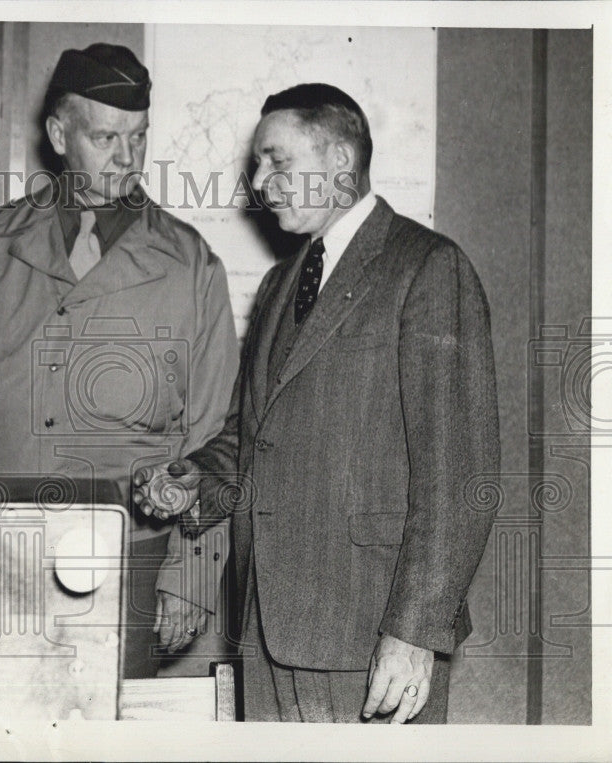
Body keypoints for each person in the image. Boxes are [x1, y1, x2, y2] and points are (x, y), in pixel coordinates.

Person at [134, 83, 499, 720]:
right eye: (258, 164)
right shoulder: (281, 282)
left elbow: (459, 476)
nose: (259, 181)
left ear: (338, 163)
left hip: (370, 637)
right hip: (266, 631)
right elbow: (254, 434)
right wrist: (195, 479)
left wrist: (413, 633)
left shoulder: (428, 268)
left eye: (277, 161)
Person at [0, 43, 239, 677]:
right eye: (106, 137)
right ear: (59, 135)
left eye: (138, 137)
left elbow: (213, 438)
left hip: (127, 558)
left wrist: (191, 572)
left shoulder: (192, 263)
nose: (127, 157)